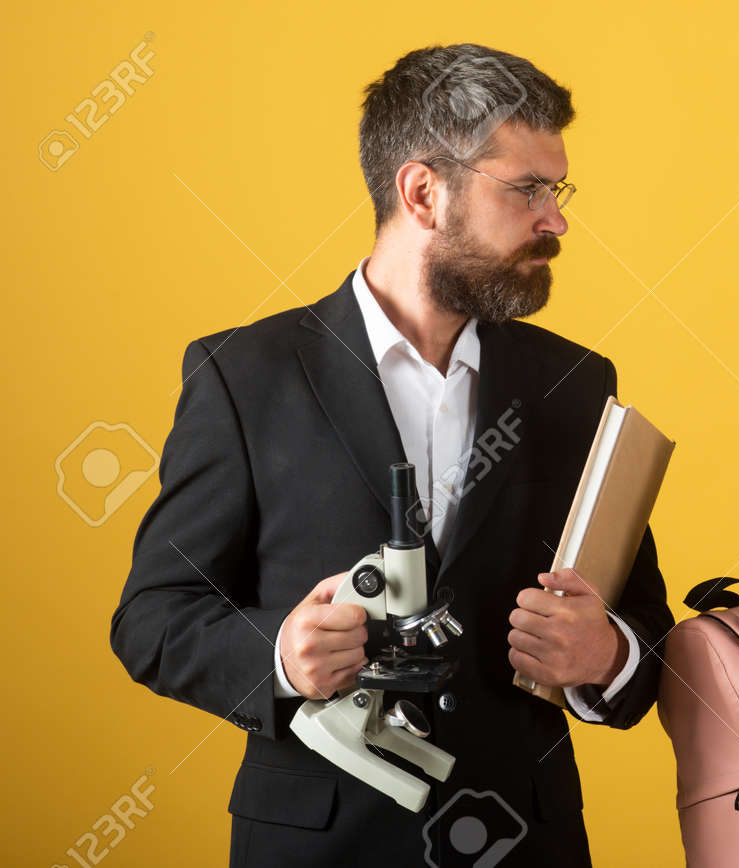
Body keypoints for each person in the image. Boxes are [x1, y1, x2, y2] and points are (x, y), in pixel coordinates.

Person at [110, 43, 673, 868]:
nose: (555, 219)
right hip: (321, 846)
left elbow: (643, 626)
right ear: (423, 192)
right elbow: (153, 619)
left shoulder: (576, 382)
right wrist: (279, 656)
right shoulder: (244, 374)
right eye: (528, 190)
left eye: (557, 191)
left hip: (526, 844)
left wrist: (609, 656)